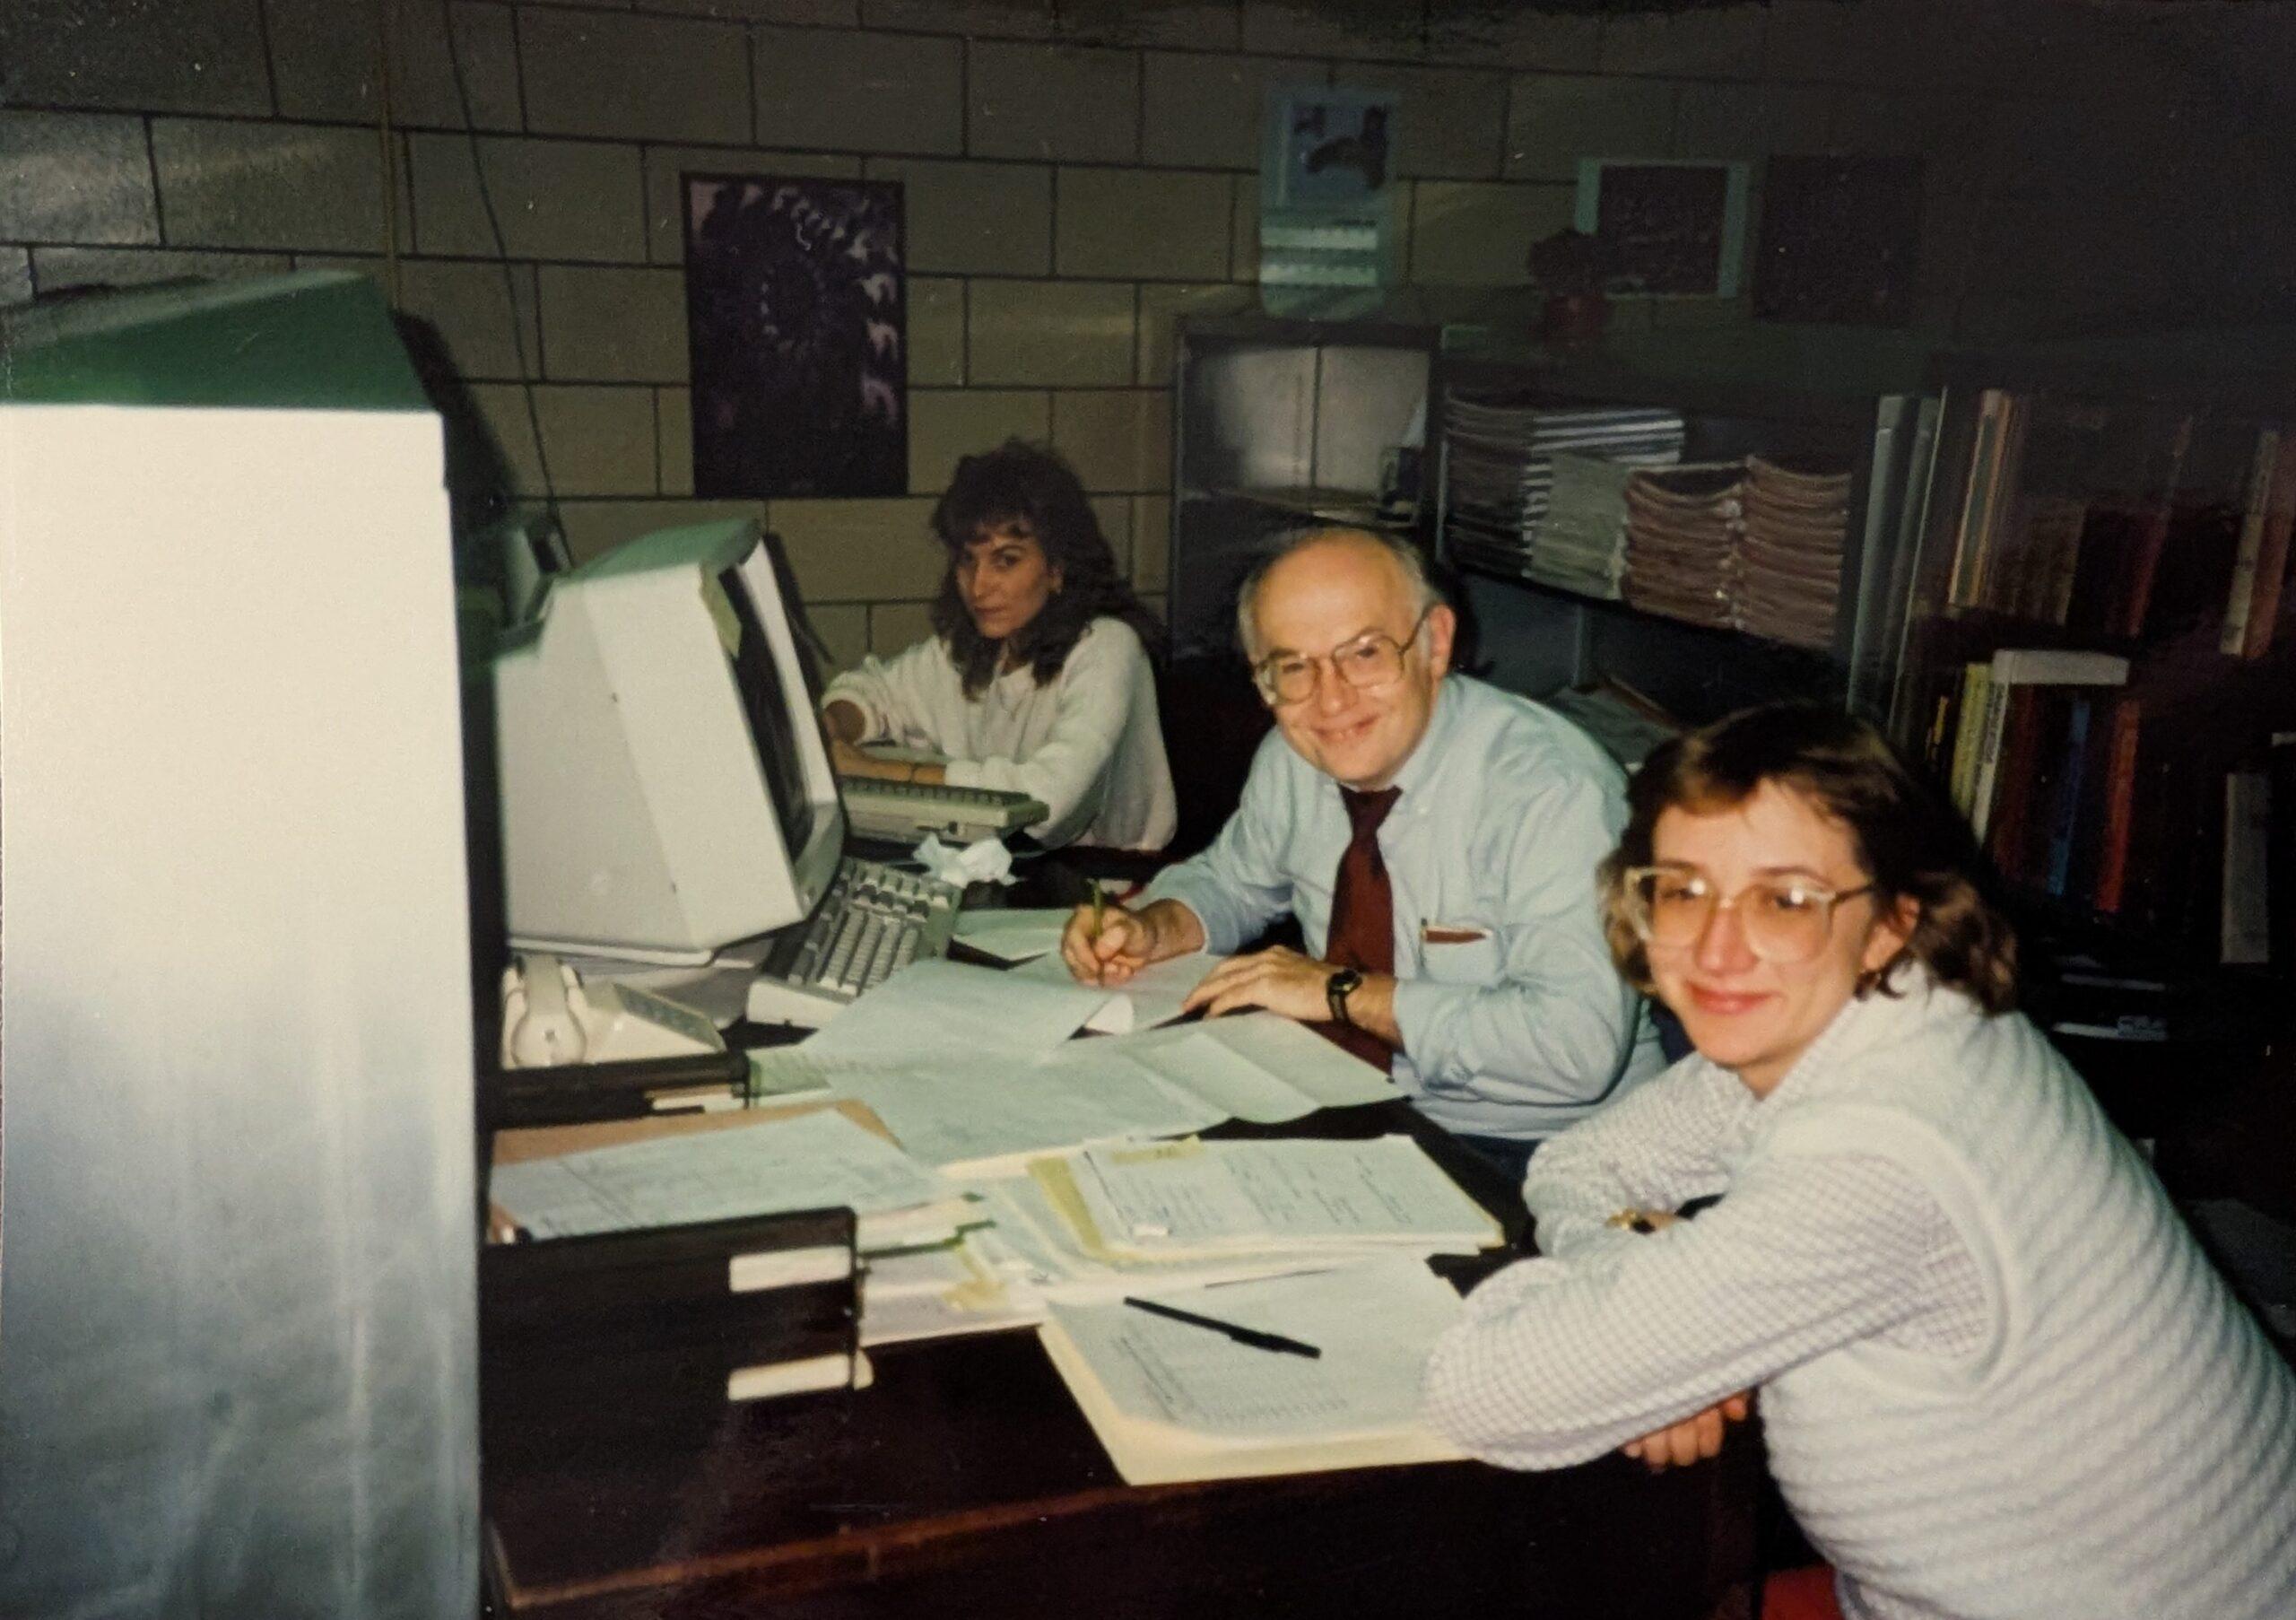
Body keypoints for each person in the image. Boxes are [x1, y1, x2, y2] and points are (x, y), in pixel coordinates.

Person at [1422, 702, 2296, 1620]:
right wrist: (1642, 1308)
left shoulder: (1884, 1148)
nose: (1719, 948)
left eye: (1785, 900)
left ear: (1888, 921)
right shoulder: (1894, 1011)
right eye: (1682, 890)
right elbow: (1582, 1161)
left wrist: (1643, 1338)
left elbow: (1482, 1391)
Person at [1060, 527, 1664, 1180]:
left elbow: (1573, 1048)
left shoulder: (1553, 791)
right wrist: (1154, 926)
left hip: (1550, 1153)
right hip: (1353, 1103)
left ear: (1434, 643)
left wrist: (1343, 992)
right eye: (1293, 667)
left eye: (1365, 653)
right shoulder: (1295, 759)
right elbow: (1233, 882)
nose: (1331, 698)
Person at [822, 440, 1175, 850]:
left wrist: (878, 771)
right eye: (968, 560)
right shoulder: (974, 648)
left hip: (1110, 888)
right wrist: (830, 729)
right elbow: (876, 690)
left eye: (1006, 560)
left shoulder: (1109, 647)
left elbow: (1045, 801)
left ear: (1057, 568)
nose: (979, 585)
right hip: (1010, 869)